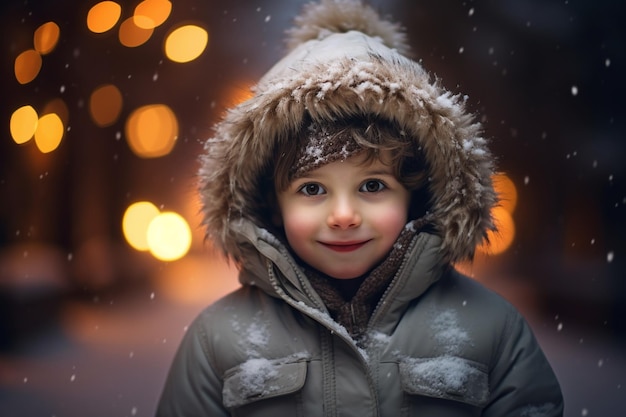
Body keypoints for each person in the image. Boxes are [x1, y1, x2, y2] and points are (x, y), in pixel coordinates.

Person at [156, 0, 564, 415]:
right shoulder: (218, 340)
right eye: (312, 189)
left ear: (416, 195)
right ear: (271, 206)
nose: (344, 215)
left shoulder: (488, 329)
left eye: (372, 185)